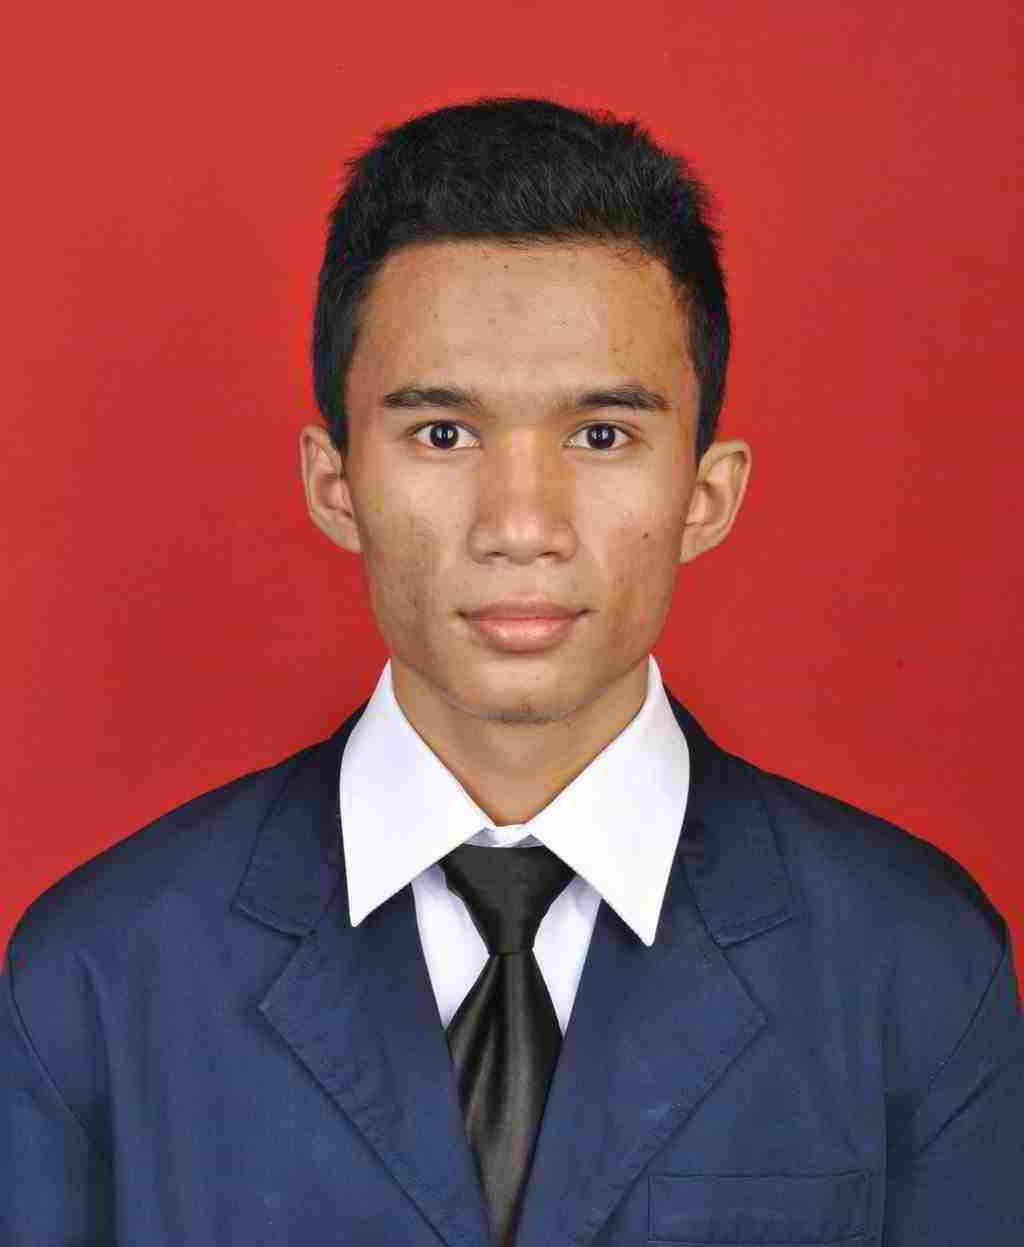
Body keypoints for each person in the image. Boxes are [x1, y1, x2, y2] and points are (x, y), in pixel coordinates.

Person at [2, 96, 1021, 1246]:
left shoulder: (912, 965)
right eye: (442, 433)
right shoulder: (97, 975)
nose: (521, 524)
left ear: (706, 493)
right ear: (335, 483)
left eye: (601, 434)